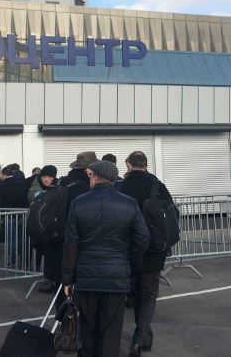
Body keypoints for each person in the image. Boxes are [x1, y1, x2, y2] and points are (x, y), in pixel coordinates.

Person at [62, 160, 149, 357]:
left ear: (96, 177)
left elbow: (70, 245)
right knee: (111, 331)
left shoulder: (79, 203)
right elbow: (143, 238)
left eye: (90, 175)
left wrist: (68, 278)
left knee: (87, 329)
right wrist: (130, 261)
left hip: (86, 277)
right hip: (116, 275)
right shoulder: (129, 203)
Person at [121, 151, 172, 356]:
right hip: (154, 247)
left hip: (131, 247)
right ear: (146, 164)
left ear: (129, 164)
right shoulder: (157, 184)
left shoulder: (123, 186)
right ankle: (141, 337)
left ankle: (142, 336)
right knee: (149, 293)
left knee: (136, 292)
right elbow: (171, 214)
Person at [41, 152, 96, 294]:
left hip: (57, 232)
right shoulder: (83, 186)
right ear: (87, 169)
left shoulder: (63, 181)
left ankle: (62, 297)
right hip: (72, 234)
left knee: (63, 275)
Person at [28, 165, 57, 273]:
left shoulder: (57, 187)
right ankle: (37, 269)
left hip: (50, 225)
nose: (46, 179)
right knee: (38, 247)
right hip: (38, 225)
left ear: (53, 178)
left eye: (49, 177)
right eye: (44, 176)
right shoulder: (35, 188)